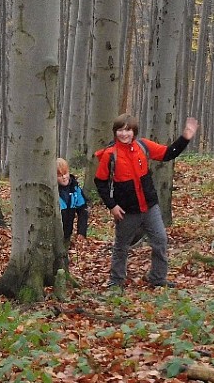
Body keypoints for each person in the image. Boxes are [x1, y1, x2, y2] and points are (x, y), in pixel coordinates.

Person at [93, 115, 198, 288]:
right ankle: (116, 281)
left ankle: (157, 278)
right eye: (120, 130)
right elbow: (100, 182)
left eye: (128, 130)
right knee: (121, 246)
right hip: (126, 210)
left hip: (150, 207)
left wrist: (186, 136)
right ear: (115, 132)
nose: (124, 134)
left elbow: (168, 153)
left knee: (160, 240)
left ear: (134, 131)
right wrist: (112, 206)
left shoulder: (143, 146)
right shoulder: (110, 155)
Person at [57, 157, 88, 248]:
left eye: (65, 173)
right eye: (60, 175)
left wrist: (81, 231)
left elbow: (83, 211)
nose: (64, 177)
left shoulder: (75, 189)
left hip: (67, 232)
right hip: (52, 234)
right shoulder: (52, 192)